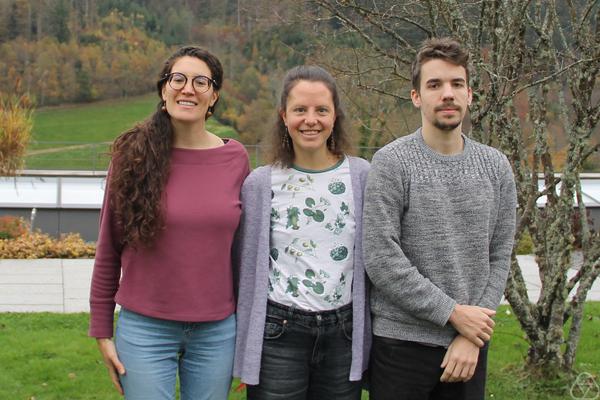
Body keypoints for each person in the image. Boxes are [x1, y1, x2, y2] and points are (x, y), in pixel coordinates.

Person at [88, 46, 249, 400]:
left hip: (217, 331)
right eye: (178, 79)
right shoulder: (132, 156)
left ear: (214, 96)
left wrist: (248, 334)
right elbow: (108, 248)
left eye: (200, 82)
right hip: (146, 329)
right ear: (164, 90)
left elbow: (242, 254)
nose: (187, 88)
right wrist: (102, 331)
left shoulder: (235, 158)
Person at [363, 37, 517, 400]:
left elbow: (500, 254)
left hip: (468, 346)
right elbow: (381, 258)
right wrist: (452, 314)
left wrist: (470, 333)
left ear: (469, 94)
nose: (447, 94)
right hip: (401, 343)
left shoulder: (495, 166)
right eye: (434, 85)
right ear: (416, 96)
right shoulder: (392, 162)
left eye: (456, 84)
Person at [233, 65, 370, 400]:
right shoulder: (261, 183)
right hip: (279, 331)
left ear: (335, 116)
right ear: (283, 116)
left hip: (343, 332)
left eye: (321, 110)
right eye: (300, 110)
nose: (311, 120)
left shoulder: (363, 176)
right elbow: (244, 267)